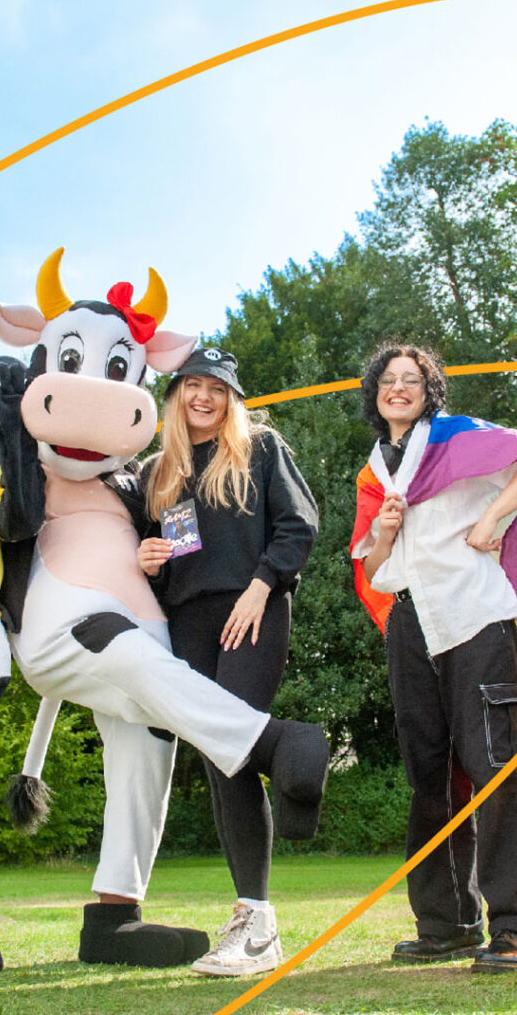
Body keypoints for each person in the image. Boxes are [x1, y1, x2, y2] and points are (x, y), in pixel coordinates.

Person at [349, 342, 517, 973]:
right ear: (375, 394)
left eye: (411, 380)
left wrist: (492, 517)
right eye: (388, 380)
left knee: (499, 764)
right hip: (411, 623)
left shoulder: (458, 441)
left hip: (475, 615)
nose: (399, 388)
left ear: (429, 390)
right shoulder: (374, 472)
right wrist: (383, 534)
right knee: (429, 778)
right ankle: (447, 923)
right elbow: (372, 570)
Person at [138, 347, 319, 977]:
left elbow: (298, 525)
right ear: (177, 394)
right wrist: (148, 561)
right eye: (192, 385)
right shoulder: (156, 473)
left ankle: (257, 921)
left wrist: (262, 586)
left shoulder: (261, 449)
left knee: (233, 747)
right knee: (221, 760)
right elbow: (144, 558)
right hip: (186, 619)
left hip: (252, 609)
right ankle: (253, 919)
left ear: (231, 398)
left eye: (216, 388)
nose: (203, 397)